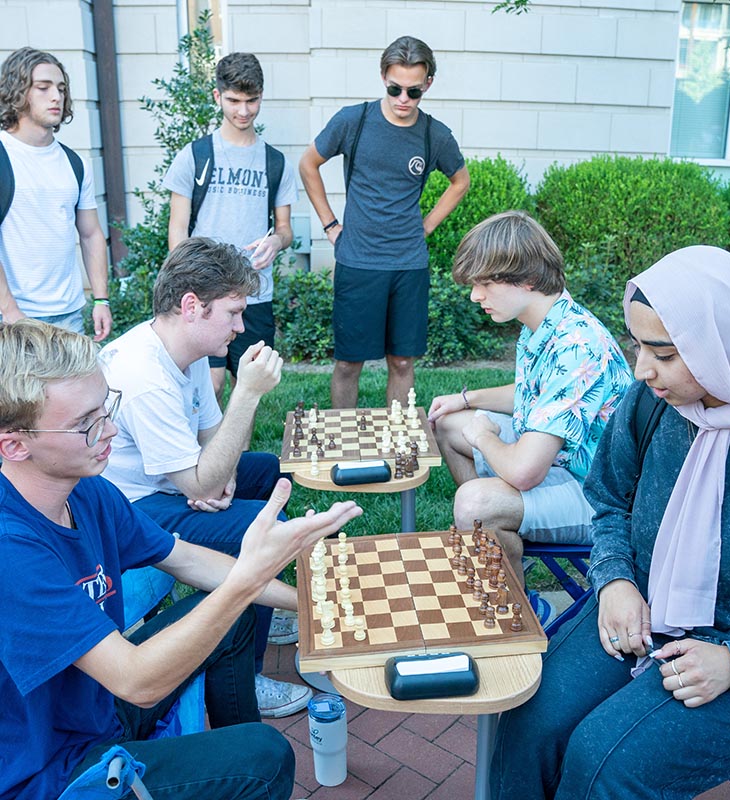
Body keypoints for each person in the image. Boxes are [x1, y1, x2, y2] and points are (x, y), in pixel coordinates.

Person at [0, 318, 362, 800]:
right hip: (50, 773)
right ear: (14, 444)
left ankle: (220, 767)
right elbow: (138, 681)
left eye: (106, 406)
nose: (109, 429)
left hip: (96, 710)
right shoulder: (11, 551)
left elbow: (190, 561)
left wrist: (318, 608)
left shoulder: (90, 493)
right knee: (265, 757)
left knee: (229, 625)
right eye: (86, 423)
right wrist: (247, 578)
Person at [490, 246, 730, 800]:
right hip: (645, 610)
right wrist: (614, 580)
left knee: (607, 762)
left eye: (663, 353)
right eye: (637, 345)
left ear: (723, 349)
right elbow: (608, 499)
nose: (641, 370)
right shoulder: (651, 403)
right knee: (529, 719)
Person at [99, 237, 308, 718]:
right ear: (192, 306)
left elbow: (218, 444)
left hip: (172, 481)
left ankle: (262, 608)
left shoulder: (186, 352)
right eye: (233, 312)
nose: (240, 326)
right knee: (260, 525)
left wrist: (219, 477)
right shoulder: (144, 376)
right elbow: (201, 481)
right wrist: (247, 394)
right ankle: (249, 676)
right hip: (128, 509)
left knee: (268, 470)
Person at [428, 211, 632, 590]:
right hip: (563, 461)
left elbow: (525, 472)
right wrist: (465, 399)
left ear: (529, 279)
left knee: (475, 504)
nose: (475, 295)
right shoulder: (545, 321)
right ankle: (494, 549)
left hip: (601, 495)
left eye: (486, 283)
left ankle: (513, 605)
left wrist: (485, 436)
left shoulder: (577, 347)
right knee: (450, 423)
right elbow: (533, 395)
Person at [299, 35, 470, 409]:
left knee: (403, 360)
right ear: (383, 77)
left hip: (408, 265)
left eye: (413, 91)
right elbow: (308, 164)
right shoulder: (353, 121)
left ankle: (399, 444)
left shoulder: (433, 135)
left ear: (428, 84)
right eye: (395, 89)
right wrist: (330, 225)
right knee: (348, 363)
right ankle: (342, 446)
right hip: (358, 261)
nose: (403, 99)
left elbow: (461, 181)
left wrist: (426, 226)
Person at [164, 51, 296, 404]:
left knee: (249, 384)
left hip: (256, 292)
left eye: (251, 101)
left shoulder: (276, 162)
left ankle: (239, 457)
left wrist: (277, 243)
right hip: (206, 291)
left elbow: (284, 228)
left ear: (261, 97)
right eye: (234, 100)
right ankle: (202, 456)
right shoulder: (195, 156)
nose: (243, 111)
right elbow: (177, 229)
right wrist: (185, 285)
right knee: (211, 384)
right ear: (217, 96)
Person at [0, 47, 111, 341]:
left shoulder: (75, 164)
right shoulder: (3, 156)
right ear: (18, 91)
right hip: (12, 318)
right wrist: (10, 311)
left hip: (70, 317)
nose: (56, 97)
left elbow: (91, 235)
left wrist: (101, 299)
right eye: (43, 87)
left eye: (61, 89)